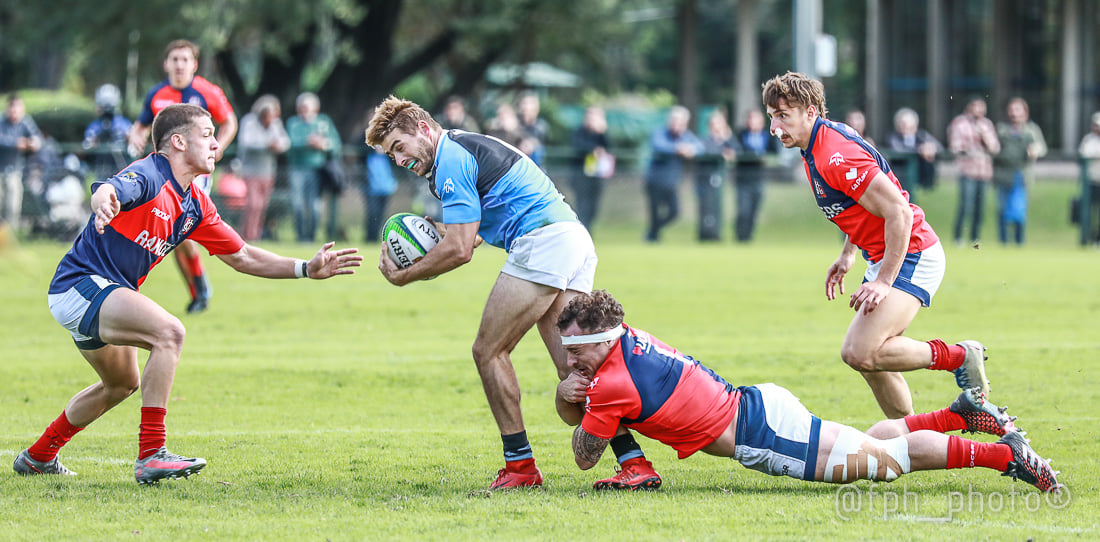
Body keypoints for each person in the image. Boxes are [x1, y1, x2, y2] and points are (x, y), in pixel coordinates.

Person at [14, 104, 361, 483]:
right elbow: (110, 189)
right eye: (208, 135)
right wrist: (104, 203)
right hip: (80, 284)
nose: (216, 145)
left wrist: (305, 269)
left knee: (121, 384)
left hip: (102, 294)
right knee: (170, 332)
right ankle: (152, 454)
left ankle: (38, 456)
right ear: (178, 142)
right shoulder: (150, 173)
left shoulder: (194, 203)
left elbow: (243, 256)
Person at [365, 96, 661, 491]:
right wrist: (436, 231)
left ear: (422, 128)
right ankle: (635, 462)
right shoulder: (458, 148)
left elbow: (460, 249)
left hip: (543, 243)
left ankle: (520, 468)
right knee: (572, 367)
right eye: (390, 156)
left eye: (398, 148)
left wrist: (406, 276)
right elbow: (478, 225)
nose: (399, 160)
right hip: (571, 238)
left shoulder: (450, 157)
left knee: (488, 350)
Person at [556, 290, 1061, 494]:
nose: (570, 358)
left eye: (575, 350)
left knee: (886, 462)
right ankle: (962, 415)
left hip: (765, 433)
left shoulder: (612, 385)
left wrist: (568, 392)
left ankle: (1005, 457)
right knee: (870, 441)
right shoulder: (627, 338)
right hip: (759, 407)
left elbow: (582, 456)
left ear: (602, 339)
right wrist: (578, 388)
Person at [761, 72, 989, 419]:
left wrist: (883, 281)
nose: (775, 128)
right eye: (772, 117)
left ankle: (960, 356)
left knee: (859, 351)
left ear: (810, 112)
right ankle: (909, 435)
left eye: (783, 116)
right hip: (885, 253)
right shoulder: (814, 144)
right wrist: (848, 253)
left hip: (912, 252)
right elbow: (861, 205)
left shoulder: (835, 154)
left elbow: (898, 211)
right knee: (869, 360)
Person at [128, 39, 239, 314]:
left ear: (194, 64)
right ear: (166, 64)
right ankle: (197, 290)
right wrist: (135, 138)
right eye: (174, 59)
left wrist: (218, 148)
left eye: (185, 59)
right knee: (173, 237)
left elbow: (230, 122)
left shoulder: (206, 92)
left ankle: (198, 290)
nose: (179, 64)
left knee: (180, 233)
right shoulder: (156, 94)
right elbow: (140, 126)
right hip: (161, 172)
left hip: (193, 172)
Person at [643, 105, 704, 242]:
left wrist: (691, 149)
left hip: (672, 183)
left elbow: (700, 147)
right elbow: (658, 145)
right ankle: (652, 239)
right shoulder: (659, 132)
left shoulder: (685, 136)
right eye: (675, 121)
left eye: (680, 122)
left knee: (674, 212)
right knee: (654, 212)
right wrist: (678, 148)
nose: (677, 125)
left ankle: (652, 231)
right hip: (654, 180)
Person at [286, 92, 342, 243]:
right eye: (302, 107)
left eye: (307, 107)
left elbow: (335, 144)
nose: (304, 110)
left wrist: (324, 145)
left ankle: (311, 237)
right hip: (297, 169)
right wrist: (307, 142)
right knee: (297, 204)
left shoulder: (323, 122)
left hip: (317, 170)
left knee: (315, 206)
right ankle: (300, 236)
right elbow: (289, 143)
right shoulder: (293, 123)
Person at [993, 98, 1047, 246]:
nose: (1014, 114)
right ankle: (1003, 242)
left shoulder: (1031, 130)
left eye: (1017, 110)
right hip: (1003, 176)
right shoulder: (1002, 129)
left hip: (1022, 176)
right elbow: (993, 149)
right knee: (1002, 210)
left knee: (1020, 211)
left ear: (1025, 113)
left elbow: (1041, 147)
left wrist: (1034, 151)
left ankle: (1019, 242)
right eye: (1011, 110)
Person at [948, 97, 1001, 246]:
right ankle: (958, 237)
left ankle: (975, 238)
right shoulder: (960, 123)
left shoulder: (986, 124)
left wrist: (984, 137)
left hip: (983, 172)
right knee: (966, 205)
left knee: (980, 208)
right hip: (968, 171)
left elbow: (995, 148)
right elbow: (956, 146)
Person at [236, 95, 290, 241]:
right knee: (253, 204)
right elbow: (246, 142)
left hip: (268, 171)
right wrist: (267, 144)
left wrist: (277, 146)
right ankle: (247, 235)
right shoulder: (249, 121)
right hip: (250, 169)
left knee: (262, 206)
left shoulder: (275, 123)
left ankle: (255, 234)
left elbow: (285, 142)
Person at [733, 109, 779, 242]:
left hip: (758, 179)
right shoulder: (741, 135)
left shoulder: (768, 136)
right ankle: (740, 235)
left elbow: (773, 153)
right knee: (743, 210)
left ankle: (748, 236)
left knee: (754, 209)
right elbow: (737, 151)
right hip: (743, 179)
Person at [0, 94, 43, 231]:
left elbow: (37, 138)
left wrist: (34, 143)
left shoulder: (25, 122)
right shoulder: (2, 122)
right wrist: (16, 143)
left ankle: (11, 234)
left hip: (15, 170)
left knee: (13, 205)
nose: (15, 113)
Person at [695, 109, 738, 241]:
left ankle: (717, 234)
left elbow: (737, 151)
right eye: (715, 124)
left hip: (720, 181)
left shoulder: (728, 140)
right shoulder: (704, 140)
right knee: (706, 208)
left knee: (718, 208)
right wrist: (723, 153)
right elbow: (706, 151)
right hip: (705, 181)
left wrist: (728, 138)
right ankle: (706, 235)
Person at [569, 105, 613, 231]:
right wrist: (593, 149)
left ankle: (587, 230)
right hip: (581, 174)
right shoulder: (580, 132)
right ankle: (584, 232)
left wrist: (601, 134)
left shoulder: (602, 134)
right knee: (583, 206)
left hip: (598, 174)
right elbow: (578, 146)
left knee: (594, 207)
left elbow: (609, 149)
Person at [83, 84, 134, 182]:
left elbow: (133, 144)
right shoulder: (95, 126)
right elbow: (87, 145)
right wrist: (96, 140)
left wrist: (126, 137)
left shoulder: (123, 124)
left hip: (121, 166)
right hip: (102, 167)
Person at [887, 107, 942, 196]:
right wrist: (920, 150)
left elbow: (938, 146)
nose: (906, 127)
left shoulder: (921, 135)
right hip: (901, 175)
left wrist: (930, 147)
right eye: (903, 124)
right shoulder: (894, 137)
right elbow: (899, 149)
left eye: (909, 125)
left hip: (920, 173)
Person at [362, 144, 397, 242]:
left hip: (387, 188)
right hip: (372, 189)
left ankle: (377, 237)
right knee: (372, 214)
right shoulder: (368, 154)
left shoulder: (389, 156)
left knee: (381, 215)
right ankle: (370, 238)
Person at [1077, 112, 1100, 245]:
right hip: (1091, 182)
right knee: (1089, 213)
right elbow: (1084, 155)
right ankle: (1088, 238)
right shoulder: (1088, 140)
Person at [517, 93, 549, 169]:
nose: (525, 108)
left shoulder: (541, 125)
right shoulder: (516, 124)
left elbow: (539, 142)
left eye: (528, 104)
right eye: (523, 104)